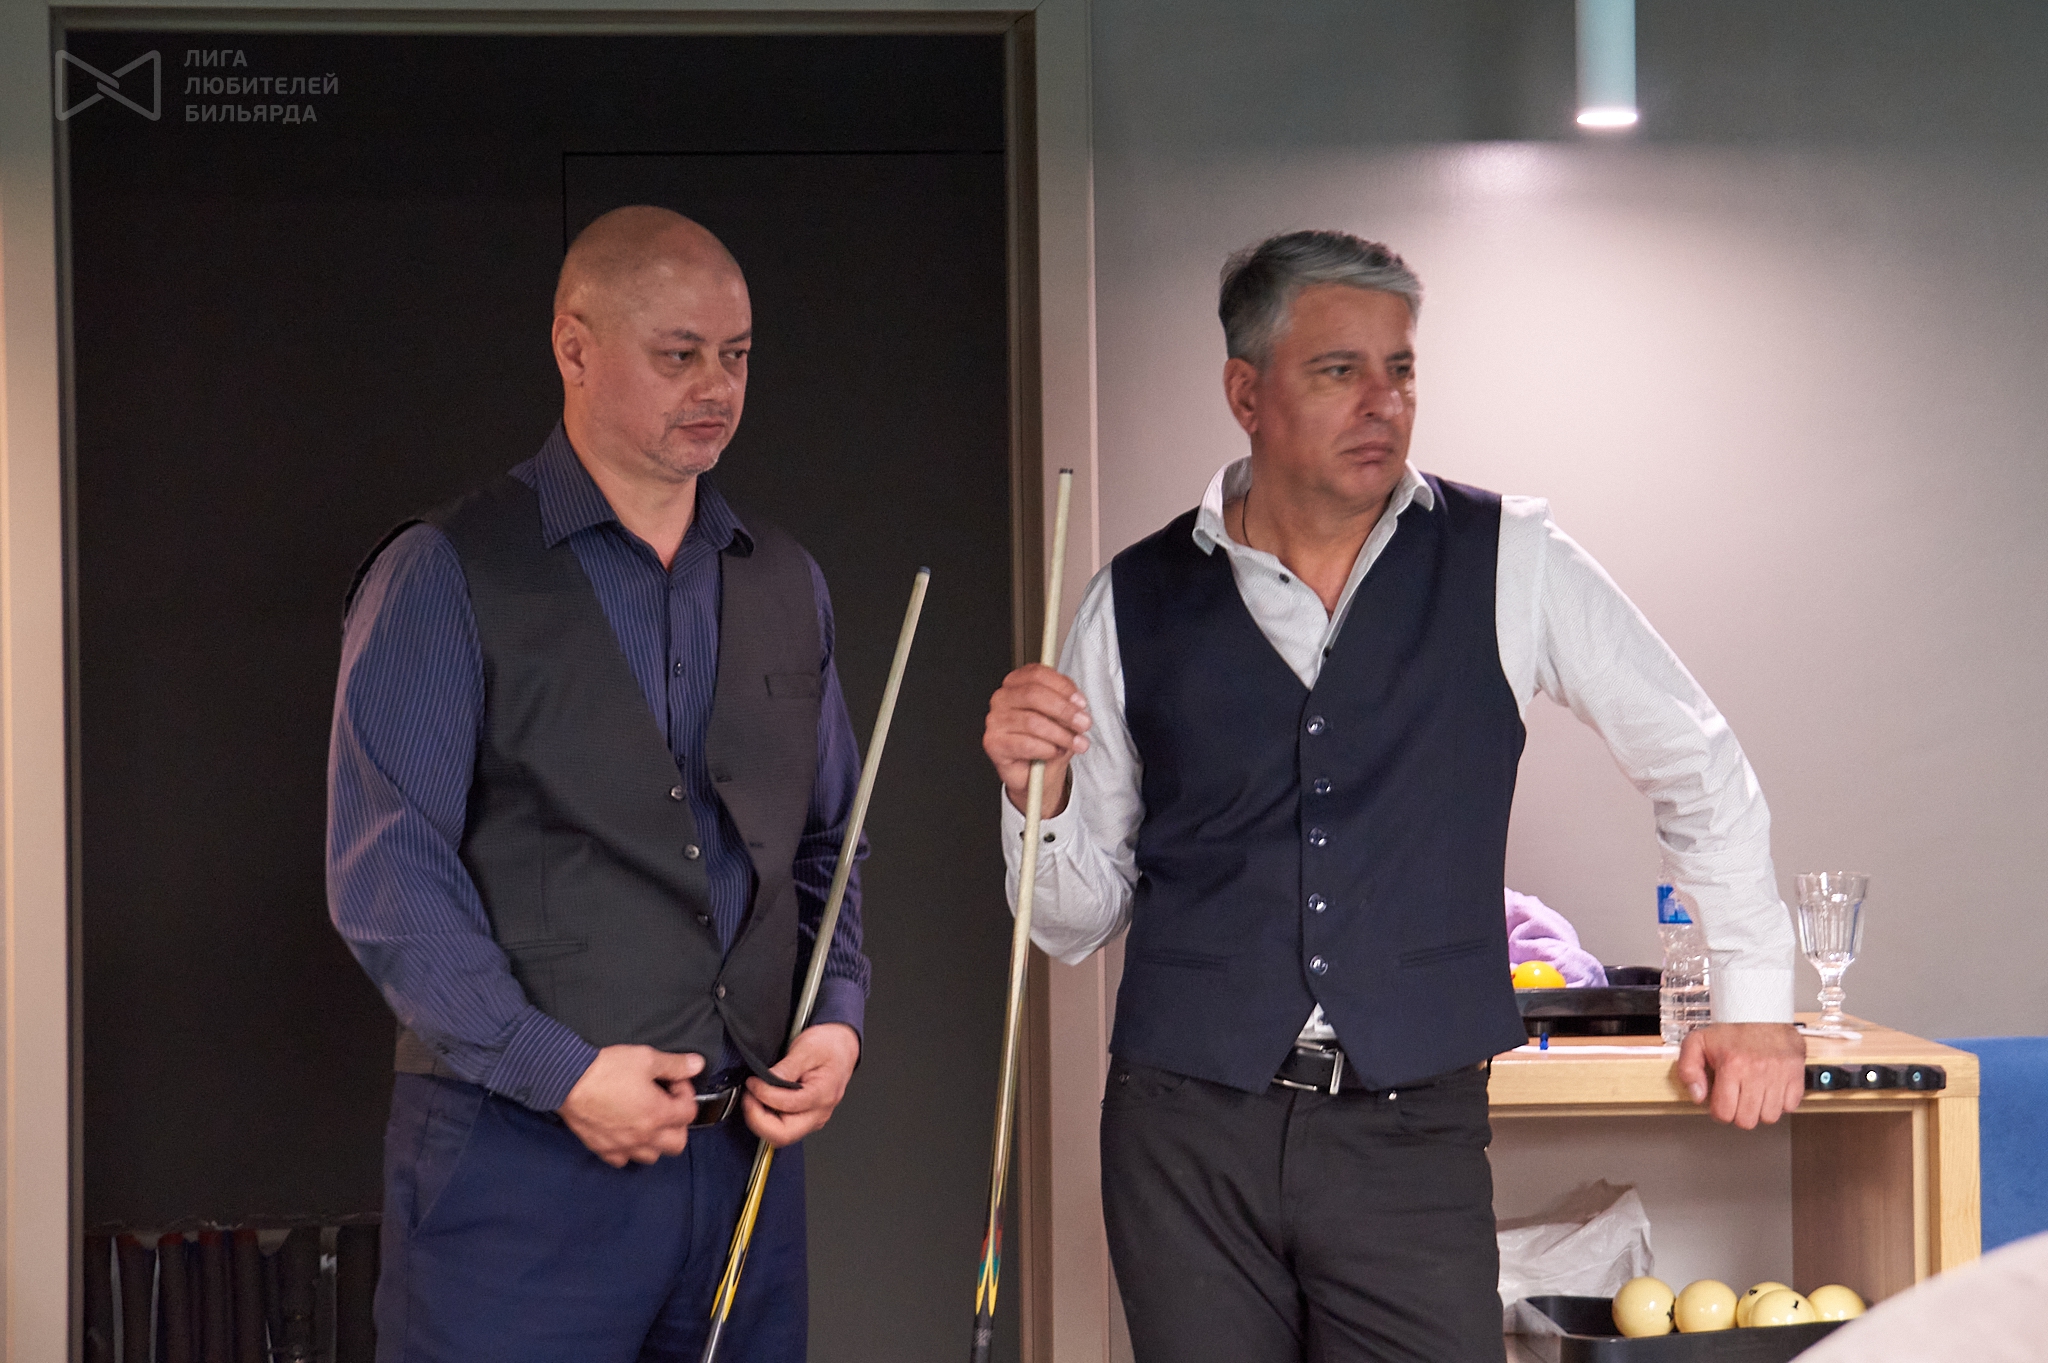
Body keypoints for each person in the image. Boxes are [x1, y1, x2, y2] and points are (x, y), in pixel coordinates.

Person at [981, 230, 1806, 1363]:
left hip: (1410, 1126)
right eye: (1339, 371)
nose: (1383, 402)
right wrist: (1038, 798)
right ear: (1245, 393)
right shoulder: (1128, 597)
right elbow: (1070, 923)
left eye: (1401, 369)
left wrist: (1753, 996)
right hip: (1184, 1131)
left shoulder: (1510, 557)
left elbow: (1694, 759)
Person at [327, 205, 866, 1363]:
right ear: (574, 347)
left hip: (743, 1172)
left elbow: (829, 841)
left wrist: (837, 1015)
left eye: (736, 355)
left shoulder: (785, 580)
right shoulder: (444, 571)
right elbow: (389, 875)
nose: (715, 386)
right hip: (514, 1170)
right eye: (679, 354)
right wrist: (558, 1071)